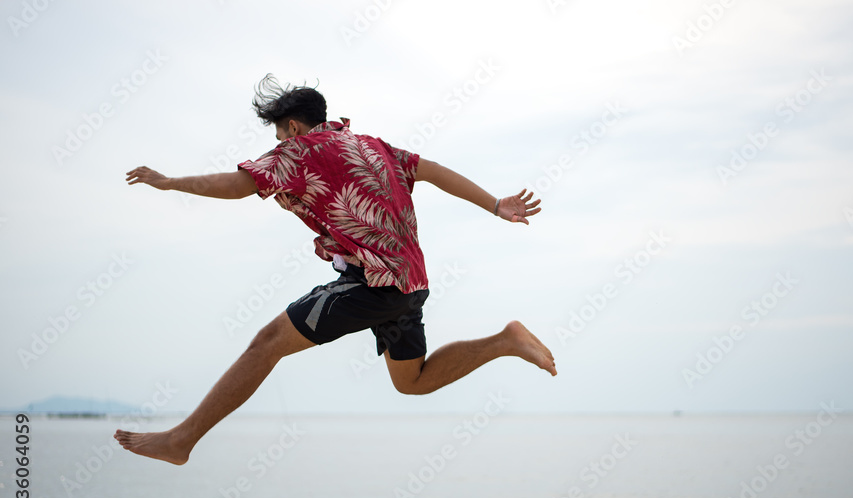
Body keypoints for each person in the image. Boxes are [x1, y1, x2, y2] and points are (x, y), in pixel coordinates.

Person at [114, 75, 557, 466]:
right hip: (409, 280)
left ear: (293, 126)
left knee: (266, 343)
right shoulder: (372, 145)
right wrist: (495, 205)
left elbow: (237, 185)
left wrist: (171, 183)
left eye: (280, 134)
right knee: (413, 381)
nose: (281, 144)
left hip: (373, 283)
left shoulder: (298, 151)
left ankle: (181, 440)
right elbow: (433, 171)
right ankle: (506, 340)